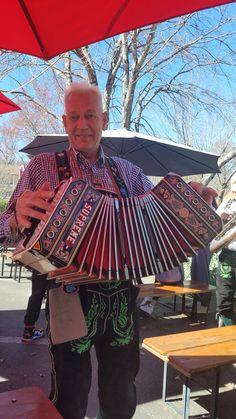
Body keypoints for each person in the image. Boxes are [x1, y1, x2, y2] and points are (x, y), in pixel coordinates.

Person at [0, 81, 217, 419]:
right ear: (64, 121)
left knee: (120, 394)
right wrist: (15, 217)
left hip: (122, 295)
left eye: (89, 116)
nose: (81, 125)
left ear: (103, 118)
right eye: (73, 117)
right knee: (69, 394)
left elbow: (162, 218)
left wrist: (191, 204)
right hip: (67, 296)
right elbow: (3, 232)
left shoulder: (130, 173)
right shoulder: (41, 167)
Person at [215, 172, 236, 327]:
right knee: (224, 296)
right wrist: (220, 218)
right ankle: (225, 331)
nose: (234, 186)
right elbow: (212, 222)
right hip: (227, 254)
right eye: (233, 182)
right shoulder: (227, 201)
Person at [21, 270, 47, 342]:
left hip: (40, 264)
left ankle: (28, 331)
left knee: (36, 295)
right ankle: (55, 332)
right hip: (59, 264)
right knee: (55, 297)